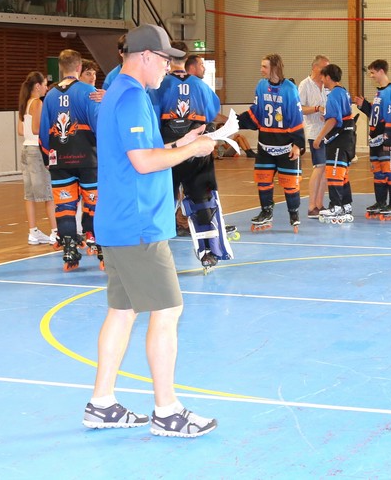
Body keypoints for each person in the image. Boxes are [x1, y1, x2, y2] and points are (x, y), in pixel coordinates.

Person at [84, 24, 218, 438]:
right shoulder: (131, 98)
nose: (169, 68)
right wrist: (192, 149)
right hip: (138, 224)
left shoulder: (119, 93)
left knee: (122, 312)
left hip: (119, 221)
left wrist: (181, 143)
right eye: (164, 60)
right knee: (167, 310)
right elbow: (143, 162)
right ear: (144, 57)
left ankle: (101, 404)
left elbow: (138, 153)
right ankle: (167, 411)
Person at [158, 51, 228, 268]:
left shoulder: (159, 85)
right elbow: (212, 112)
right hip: (196, 152)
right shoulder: (201, 86)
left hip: (169, 152)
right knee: (202, 200)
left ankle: (156, 249)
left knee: (163, 200)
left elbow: (151, 116)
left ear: (168, 61)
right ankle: (209, 252)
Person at [40, 49, 102, 269]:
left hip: (60, 160)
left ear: (60, 68)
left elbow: (43, 132)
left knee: (64, 207)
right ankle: (98, 246)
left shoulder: (50, 95)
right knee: (94, 204)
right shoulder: (89, 92)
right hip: (88, 159)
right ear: (79, 67)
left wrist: (48, 158)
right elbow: (99, 125)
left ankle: (69, 251)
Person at [240, 53, 306, 230]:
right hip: (265, 144)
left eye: (264, 66)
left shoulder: (290, 89)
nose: (261, 70)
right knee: (263, 180)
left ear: (275, 68)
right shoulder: (261, 86)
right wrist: (237, 121)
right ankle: (266, 211)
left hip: (286, 146)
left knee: (290, 184)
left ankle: (293, 213)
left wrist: (298, 144)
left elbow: (296, 117)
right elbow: (256, 112)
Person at [355, 59, 391, 218]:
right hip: (376, 140)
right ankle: (381, 203)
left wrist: (389, 140)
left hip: (387, 139)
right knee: (379, 173)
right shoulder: (379, 93)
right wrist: (364, 105)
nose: (371, 76)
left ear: (381, 71)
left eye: (373, 72)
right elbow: (376, 116)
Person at [16, 70, 56, 245]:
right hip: (36, 151)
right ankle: (55, 232)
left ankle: (33, 232)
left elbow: (21, 131)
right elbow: (36, 129)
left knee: (30, 195)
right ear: (38, 86)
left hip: (26, 149)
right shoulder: (38, 103)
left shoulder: (24, 103)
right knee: (49, 193)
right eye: (45, 85)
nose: (46, 88)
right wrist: (53, 129)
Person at [314, 63, 356, 221]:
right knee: (342, 173)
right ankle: (346, 204)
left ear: (328, 77)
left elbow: (333, 119)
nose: (321, 80)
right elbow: (340, 115)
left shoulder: (333, 95)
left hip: (339, 139)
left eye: (323, 77)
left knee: (334, 172)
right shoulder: (344, 92)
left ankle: (336, 206)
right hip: (348, 137)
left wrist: (319, 137)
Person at [298, 55, 330, 217]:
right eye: (324, 67)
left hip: (328, 131)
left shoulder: (327, 85)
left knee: (325, 169)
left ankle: (319, 204)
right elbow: (300, 108)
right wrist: (317, 109)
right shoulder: (305, 85)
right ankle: (311, 206)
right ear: (315, 67)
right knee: (319, 167)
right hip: (314, 131)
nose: (326, 70)